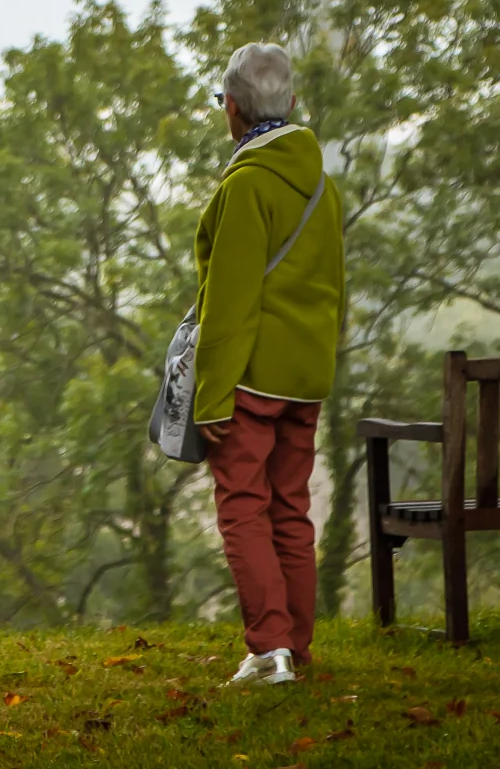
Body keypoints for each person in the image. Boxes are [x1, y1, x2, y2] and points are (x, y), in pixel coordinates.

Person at [192, 42, 345, 686]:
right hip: (305, 377)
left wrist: (210, 396)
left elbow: (228, 303)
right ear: (293, 104)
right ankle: (296, 651)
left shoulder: (248, 184)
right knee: (290, 509)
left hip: (250, 378)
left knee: (242, 507)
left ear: (231, 109)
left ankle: (267, 652)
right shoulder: (322, 186)